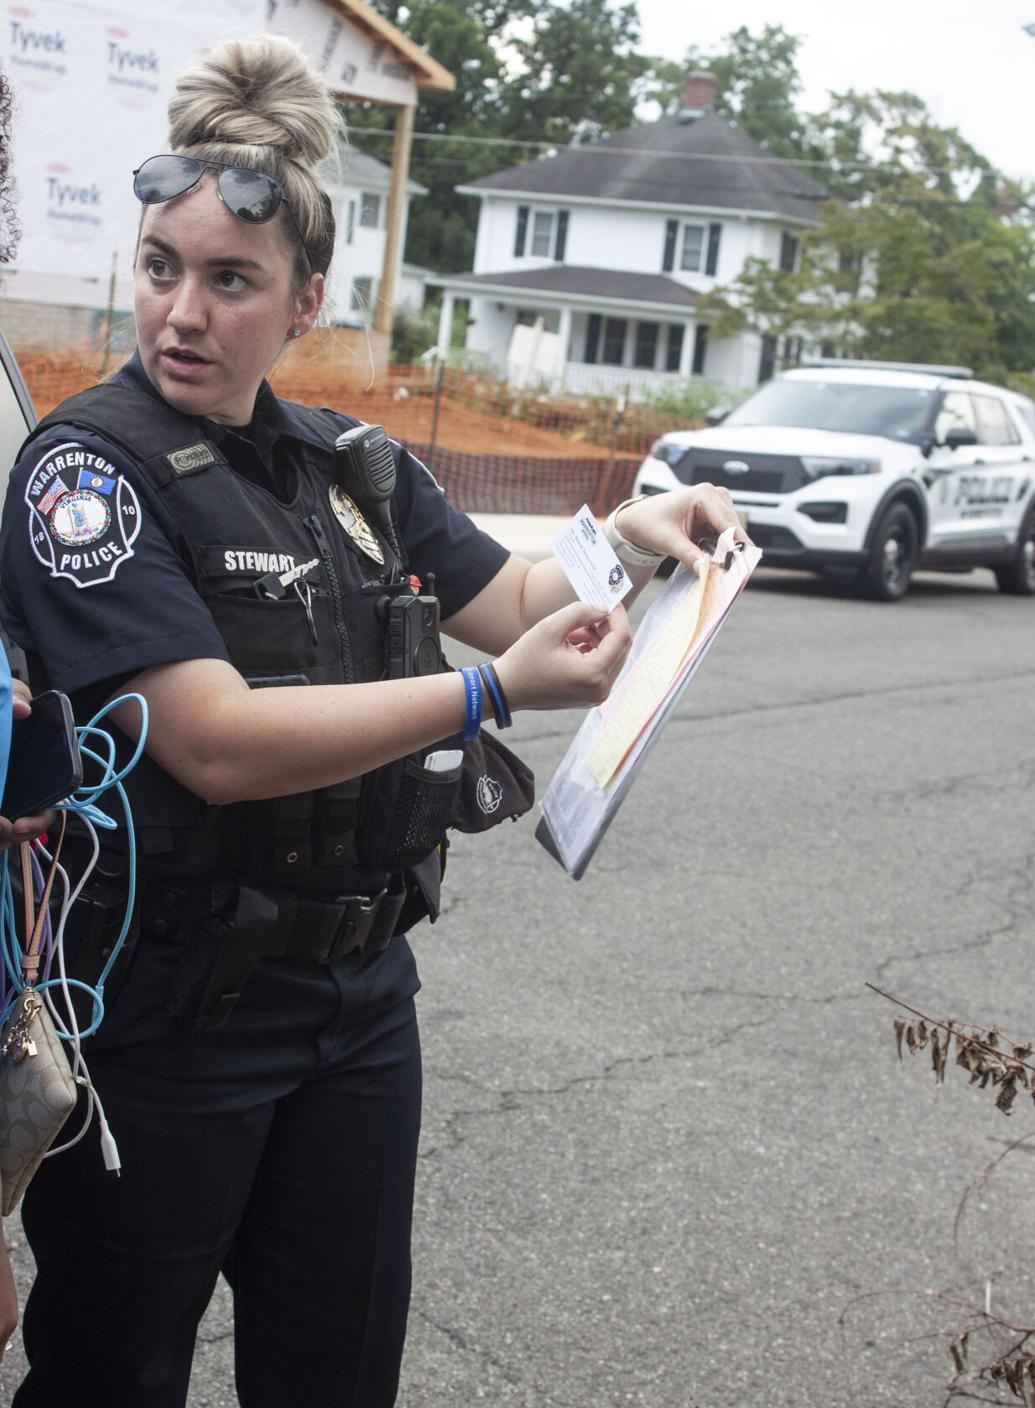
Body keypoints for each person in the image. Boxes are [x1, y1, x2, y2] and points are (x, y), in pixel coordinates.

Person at [0, 34, 745, 1408]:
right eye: (163, 267)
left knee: (336, 1373)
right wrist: (494, 691)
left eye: (232, 281)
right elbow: (213, 741)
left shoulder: (352, 463)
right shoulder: (81, 476)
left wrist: (636, 534)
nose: (182, 310)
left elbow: (511, 587)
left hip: (355, 1006)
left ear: (306, 301)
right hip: (169, 1023)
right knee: (113, 1373)